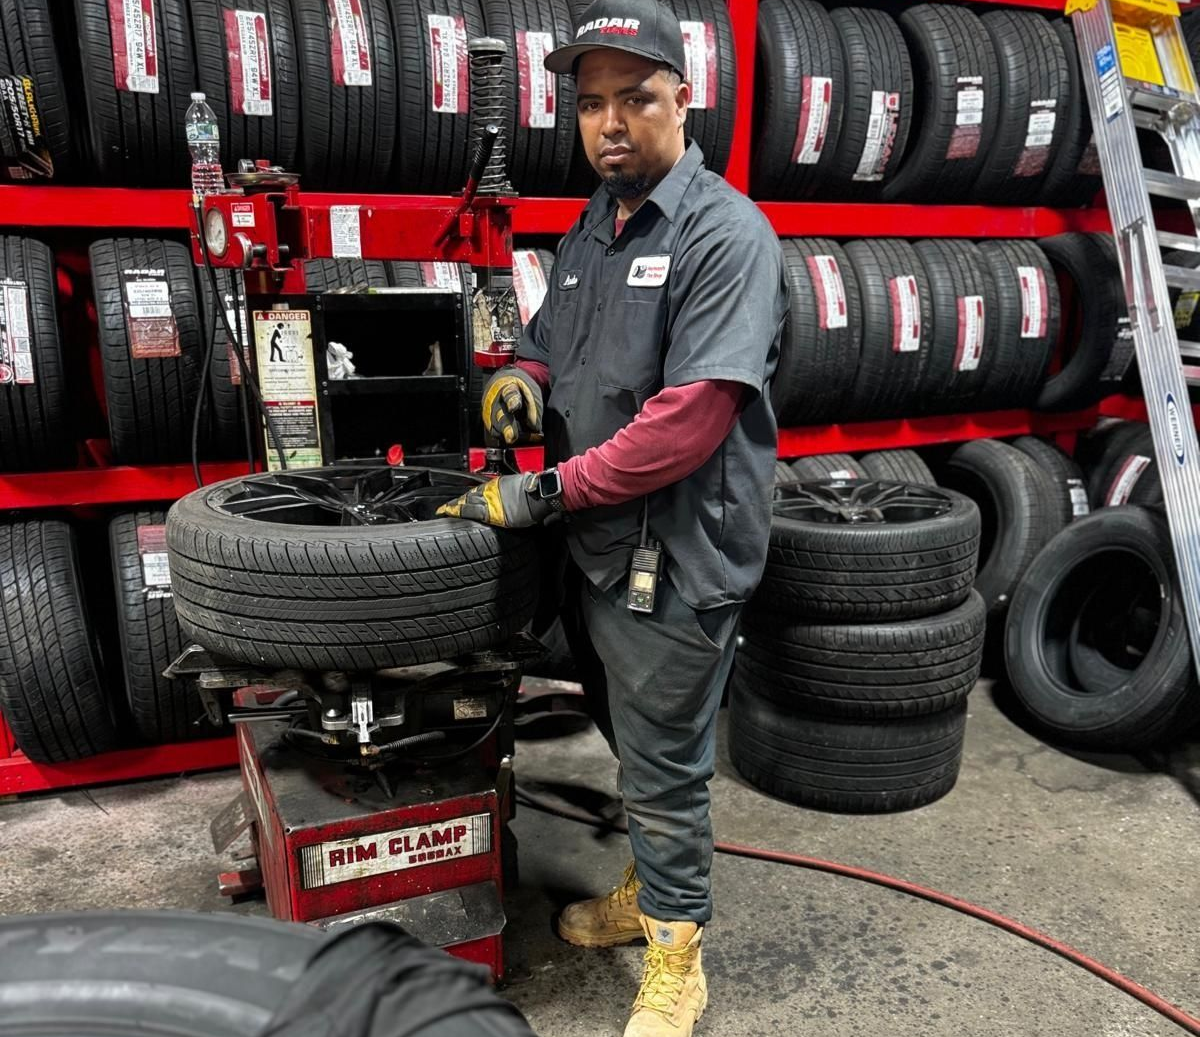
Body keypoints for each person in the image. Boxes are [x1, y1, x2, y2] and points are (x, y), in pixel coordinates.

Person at [438, 1, 787, 1032]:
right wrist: (522, 377)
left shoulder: (727, 236)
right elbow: (555, 341)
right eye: (590, 104)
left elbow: (690, 421)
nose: (610, 123)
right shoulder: (597, 225)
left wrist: (542, 491)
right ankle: (651, 890)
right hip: (599, 548)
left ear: (685, 98)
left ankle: (679, 953)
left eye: (635, 98)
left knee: (668, 763)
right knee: (632, 742)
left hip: (677, 555)